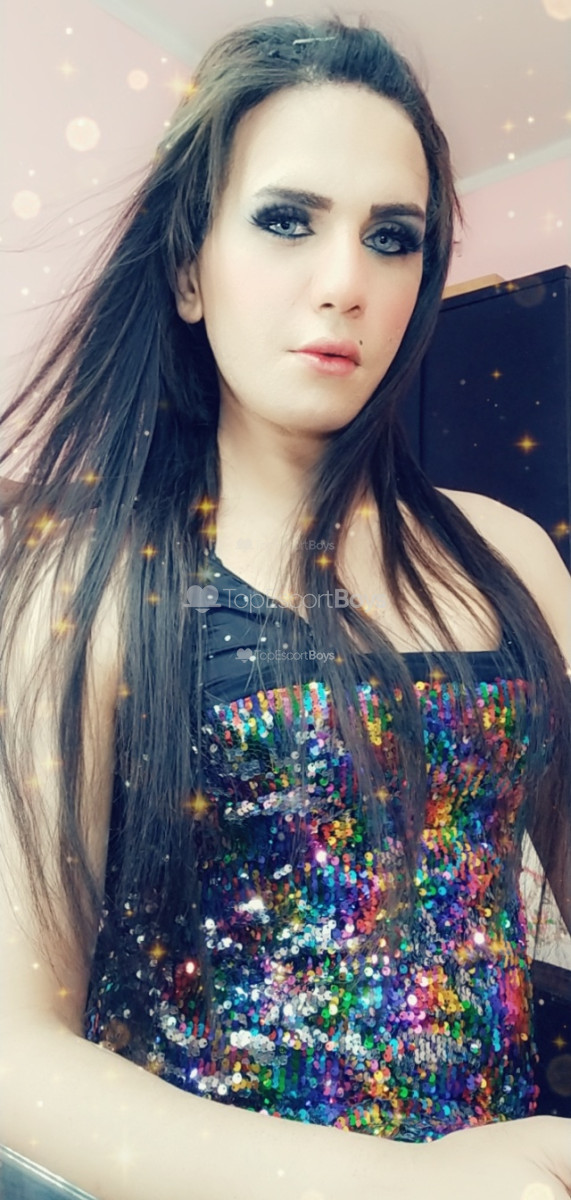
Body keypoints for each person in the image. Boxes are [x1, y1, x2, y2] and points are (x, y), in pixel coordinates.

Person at [1, 13, 570, 1200]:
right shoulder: (85, 588)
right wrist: (407, 1185)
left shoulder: (512, 560)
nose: (345, 283)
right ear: (188, 271)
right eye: (285, 219)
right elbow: (17, 1056)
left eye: (392, 237)